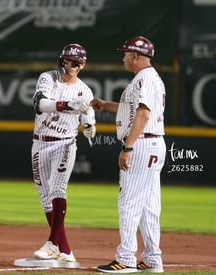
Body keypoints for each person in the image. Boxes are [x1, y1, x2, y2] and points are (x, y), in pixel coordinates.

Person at [91, 36, 166, 273]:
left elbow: (143, 114)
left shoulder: (146, 79)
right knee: (148, 206)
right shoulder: (147, 79)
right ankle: (152, 259)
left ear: (135, 56)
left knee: (129, 203)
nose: (123, 58)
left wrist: (128, 147)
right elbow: (133, 108)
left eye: (125, 54)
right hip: (152, 143)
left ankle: (125, 259)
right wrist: (105, 105)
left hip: (142, 143)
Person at [31, 43, 96, 263]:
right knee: (45, 197)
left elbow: (87, 114)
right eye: (67, 61)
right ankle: (65, 250)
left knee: (58, 188)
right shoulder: (48, 78)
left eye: (76, 62)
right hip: (39, 143)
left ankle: (51, 244)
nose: (70, 65)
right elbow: (39, 104)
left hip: (65, 143)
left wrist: (89, 125)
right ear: (61, 61)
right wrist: (68, 104)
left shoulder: (85, 90)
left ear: (82, 65)